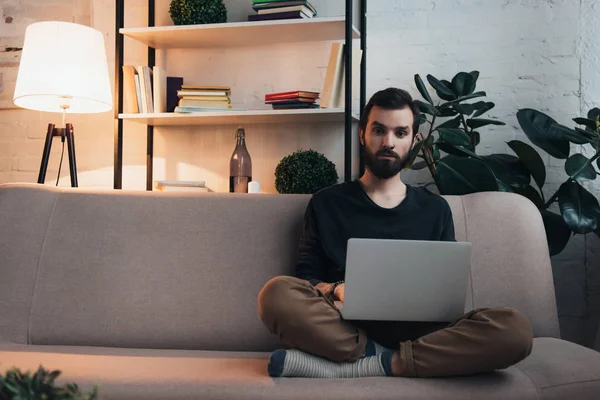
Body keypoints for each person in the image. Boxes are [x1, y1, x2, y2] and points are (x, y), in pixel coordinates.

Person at [257, 87, 533, 379]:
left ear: (413, 141)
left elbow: (446, 292)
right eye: (378, 130)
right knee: (276, 295)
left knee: (515, 331)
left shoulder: (435, 209)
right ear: (362, 133)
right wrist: (336, 288)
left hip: (425, 333)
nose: (388, 142)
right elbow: (306, 278)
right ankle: (395, 358)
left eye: (400, 133)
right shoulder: (327, 203)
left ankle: (378, 362)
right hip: (346, 327)